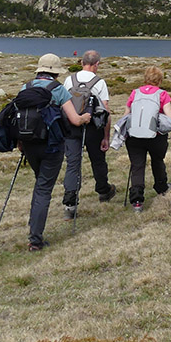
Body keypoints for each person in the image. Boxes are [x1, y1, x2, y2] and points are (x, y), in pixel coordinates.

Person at [20, 53, 91, 251]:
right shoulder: (58, 90)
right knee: (44, 188)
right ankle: (35, 239)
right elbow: (75, 120)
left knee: (40, 184)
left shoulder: (25, 87)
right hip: (52, 146)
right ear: (55, 73)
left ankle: (34, 228)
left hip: (29, 145)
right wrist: (86, 117)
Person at [120, 65, 171, 211]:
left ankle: (136, 200)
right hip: (155, 136)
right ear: (160, 80)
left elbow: (126, 114)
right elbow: (169, 115)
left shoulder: (134, 93)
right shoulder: (162, 94)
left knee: (137, 165)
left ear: (145, 78)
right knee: (157, 161)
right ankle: (162, 188)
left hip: (134, 136)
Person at [62, 50, 116, 220]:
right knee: (98, 160)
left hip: (71, 126)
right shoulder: (99, 83)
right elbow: (105, 111)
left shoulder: (69, 80)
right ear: (96, 64)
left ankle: (70, 204)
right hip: (93, 127)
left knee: (73, 164)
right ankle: (103, 190)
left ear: (81, 62)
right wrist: (106, 136)